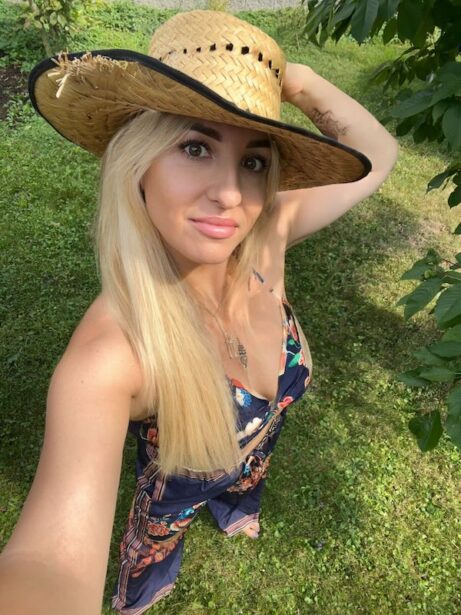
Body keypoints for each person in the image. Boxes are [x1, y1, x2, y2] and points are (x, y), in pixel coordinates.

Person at [0, 9, 398, 615]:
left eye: (254, 160)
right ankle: (143, 588)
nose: (232, 194)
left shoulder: (263, 240)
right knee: (157, 536)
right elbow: (48, 564)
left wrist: (293, 79)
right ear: (138, 164)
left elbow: (378, 154)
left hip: (255, 449)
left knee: (250, 466)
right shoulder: (113, 356)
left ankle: (237, 506)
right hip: (175, 493)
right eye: (194, 147)